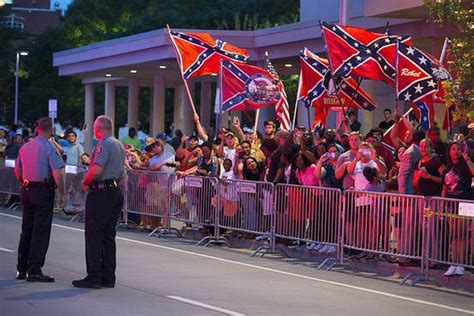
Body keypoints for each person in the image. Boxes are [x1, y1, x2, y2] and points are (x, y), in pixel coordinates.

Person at [73, 115, 125, 289]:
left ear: (99, 128)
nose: (93, 131)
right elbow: (122, 173)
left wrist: (85, 182)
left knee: (94, 234)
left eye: (94, 128)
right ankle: (108, 276)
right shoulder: (118, 145)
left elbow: (96, 170)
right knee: (109, 236)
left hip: (101, 191)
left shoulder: (103, 144)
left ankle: (94, 275)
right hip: (115, 191)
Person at [14, 117, 65, 282]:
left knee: (26, 229)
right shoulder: (49, 148)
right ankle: (34, 269)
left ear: (37, 129)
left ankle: (21, 268)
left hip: (27, 190)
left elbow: (17, 170)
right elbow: (57, 173)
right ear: (51, 131)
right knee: (40, 231)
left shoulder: (25, 147)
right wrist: (62, 194)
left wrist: (24, 182)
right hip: (43, 192)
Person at [441, 142, 474, 277]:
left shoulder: (465, 164)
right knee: (454, 234)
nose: (456, 151)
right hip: (451, 203)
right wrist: (442, 204)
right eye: (453, 149)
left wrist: (467, 158)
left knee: (462, 234)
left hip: (465, 202)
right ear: (449, 151)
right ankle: (453, 263)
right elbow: (444, 187)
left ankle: (461, 263)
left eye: (458, 149)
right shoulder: (447, 167)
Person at [398, 130, 425, 194]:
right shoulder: (410, 153)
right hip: (410, 192)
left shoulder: (421, 151)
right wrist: (403, 194)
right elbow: (403, 175)